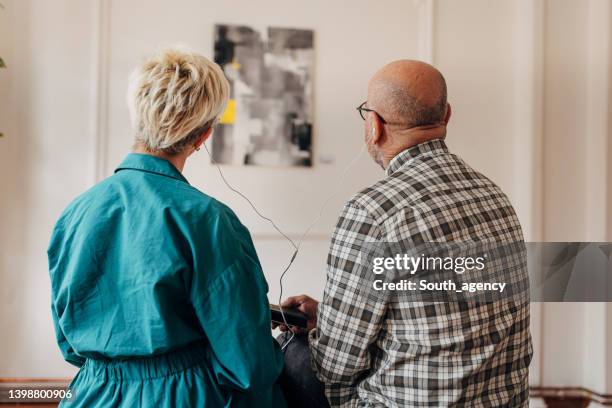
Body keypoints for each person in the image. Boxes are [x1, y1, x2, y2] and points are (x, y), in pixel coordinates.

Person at [277, 60, 532, 407]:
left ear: (374, 126)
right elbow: (442, 313)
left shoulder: (373, 212)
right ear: (447, 116)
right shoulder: (494, 196)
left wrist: (323, 334)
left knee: (287, 354)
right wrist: (329, 316)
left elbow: (335, 365)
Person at [48, 48, 286, 407]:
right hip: (182, 397)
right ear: (204, 135)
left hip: (91, 394)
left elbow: (69, 343)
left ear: (138, 116)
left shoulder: (73, 215)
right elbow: (248, 365)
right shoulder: (209, 220)